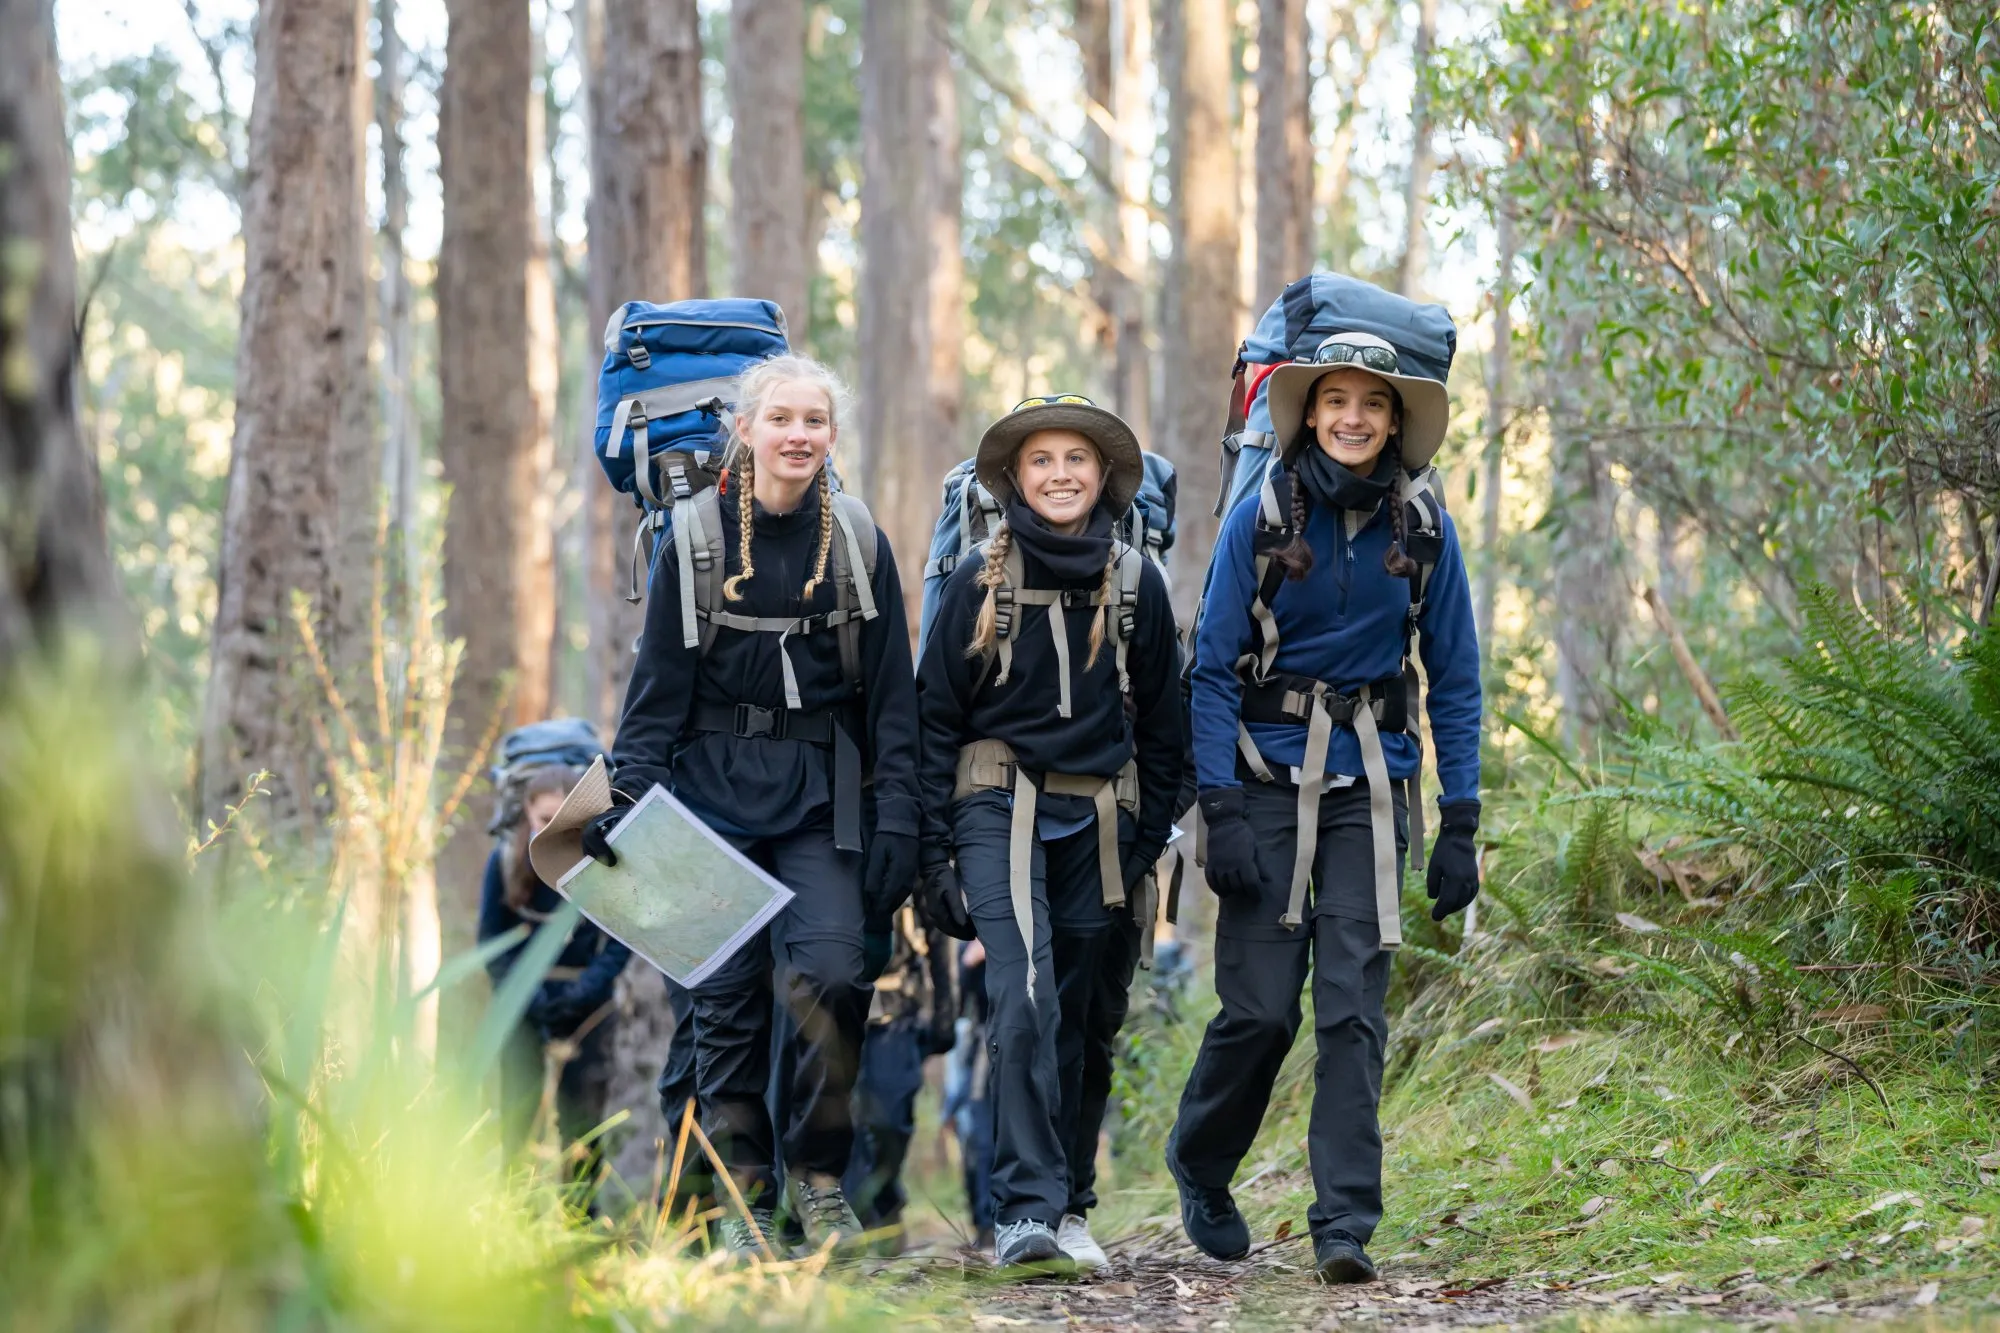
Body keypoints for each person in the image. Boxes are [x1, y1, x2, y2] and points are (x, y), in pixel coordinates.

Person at [583, 354, 922, 1256]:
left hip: (820, 798)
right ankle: (737, 1200)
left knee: (832, 975)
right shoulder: (691, 540)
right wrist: (630, 806)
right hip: (706, 805)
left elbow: (892, 698)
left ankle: (817, 1181)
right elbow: (653, 696)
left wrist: (900, 818)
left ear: (832, 437)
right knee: (724, 1000)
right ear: (747, 429)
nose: (798, 434)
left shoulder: (856, 540)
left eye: (815, 420)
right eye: (782, 418)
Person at [1168, 331, 1482, 1284]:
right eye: (1335, 399)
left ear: (1395, 421)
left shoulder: (1424, 523)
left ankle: (1343, 1221)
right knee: (1261, 1011)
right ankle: (1201, 1163)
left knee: (1352, 1010)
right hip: (1263, 783)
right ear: (1308, 412)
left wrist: (1461, 814)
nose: (1352, 418)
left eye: (1373, 404)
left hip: (1373, 789)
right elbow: (1212, 665)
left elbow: (1455, 673)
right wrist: (1215, 804)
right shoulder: (1261, 512)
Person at [914, 394, 1184, 1270]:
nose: (1061, 473)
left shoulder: (1137, 583)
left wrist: (1145, 841)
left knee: (1089, 1017)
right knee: (1025, 999)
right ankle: (1023, 1213)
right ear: (1015, 479)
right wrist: (932, 859)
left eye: (1077, 458)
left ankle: (1070, 1202)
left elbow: (1168, 731)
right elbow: (931, 723)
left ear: (1103, 477)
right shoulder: (976, 582)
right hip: (997, 806)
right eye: (1042, 460)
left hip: (1104, 818)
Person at [479, 765, 632, 1199]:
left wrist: (587, 990)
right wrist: (530, 997)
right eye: (544, 820)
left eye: (564, 822)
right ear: (527, 812)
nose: (552, 830)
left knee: (584, 1124)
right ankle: (516, 1221)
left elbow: (622, 941)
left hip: (588, 1004)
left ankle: (580, 1222)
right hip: (522, 1006)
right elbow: (491, 943)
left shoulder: (603, 865)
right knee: (517, 1117)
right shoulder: (505, 862)